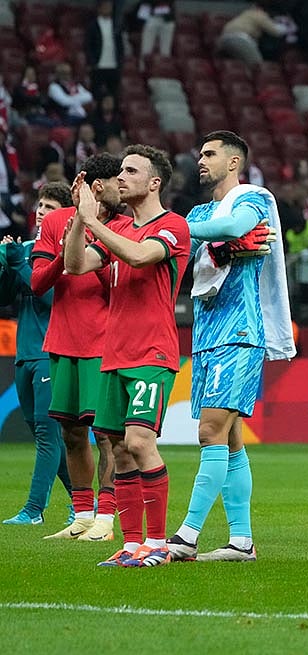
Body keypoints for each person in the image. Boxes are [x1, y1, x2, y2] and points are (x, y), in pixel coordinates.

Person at [166, 130, 295, 564]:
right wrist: (213, 248)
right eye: (199, 153)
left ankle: (186, 536)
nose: (200, 161)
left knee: (208, 432)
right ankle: (242, 541)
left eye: (209, 154)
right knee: (231, 439)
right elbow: (188, 257)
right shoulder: (201, 209)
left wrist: (185, 231)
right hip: (204, 333)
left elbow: (234, 228)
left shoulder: (252, 199)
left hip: (240, 331)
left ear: (234, 162)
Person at [63, 144, 191, 568]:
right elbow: (76, 265)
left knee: (139, 441)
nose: (121, 177)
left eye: (131, 171)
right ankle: (132, 543)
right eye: (120, 171)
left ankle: (157, 543)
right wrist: (84, 221)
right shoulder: (120, 229)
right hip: (114, 355)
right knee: (117, 449)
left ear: (154, 182)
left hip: (152, 353)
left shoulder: (173, 226)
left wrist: (91, 221)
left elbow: (139, 255)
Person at [31, 154, 128, 542]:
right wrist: (67, 247)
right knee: (72, 434)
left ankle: (106, 519)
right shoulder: (56, 222)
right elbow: (38, 283)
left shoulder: (123, 227)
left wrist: (90, 239)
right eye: (116, 181)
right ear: (96, 184)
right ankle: (82, 515)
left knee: (105, 434)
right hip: (63, 339)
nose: (123, 188)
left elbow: (116, 286)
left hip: (105, 341)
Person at [0, 182, 73, 526]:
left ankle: (33, 511)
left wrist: (19, 264)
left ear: (65, 214)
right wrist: (7, 265)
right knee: (43, 433)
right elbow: (5, 298)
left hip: (51, 351)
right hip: (24, 354)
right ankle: (82, 501)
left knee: (47, 433)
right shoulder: (28, 247)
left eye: (49, 206)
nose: (41, 211)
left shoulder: (69, 252)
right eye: (39, 205)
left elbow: (49, 297)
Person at [216, 2, 290, 66]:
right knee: (257, 65)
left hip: (223, 40)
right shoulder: (259, 14)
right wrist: (287, 26)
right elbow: (276, 32)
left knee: (241, 64)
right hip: (239, 39)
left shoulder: (246, 13)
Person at [84, 0, 124, 100]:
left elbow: (120, 45)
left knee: (114, 95)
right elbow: (88, 46)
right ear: (99, 8)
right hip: (98, 66)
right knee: (96, 94)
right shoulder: (92, 25)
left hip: (113, 66)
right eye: (105, 6)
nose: (108, 9)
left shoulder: (116, 25)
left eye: (109, 6)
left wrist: (120, 61)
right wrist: (92, 62)